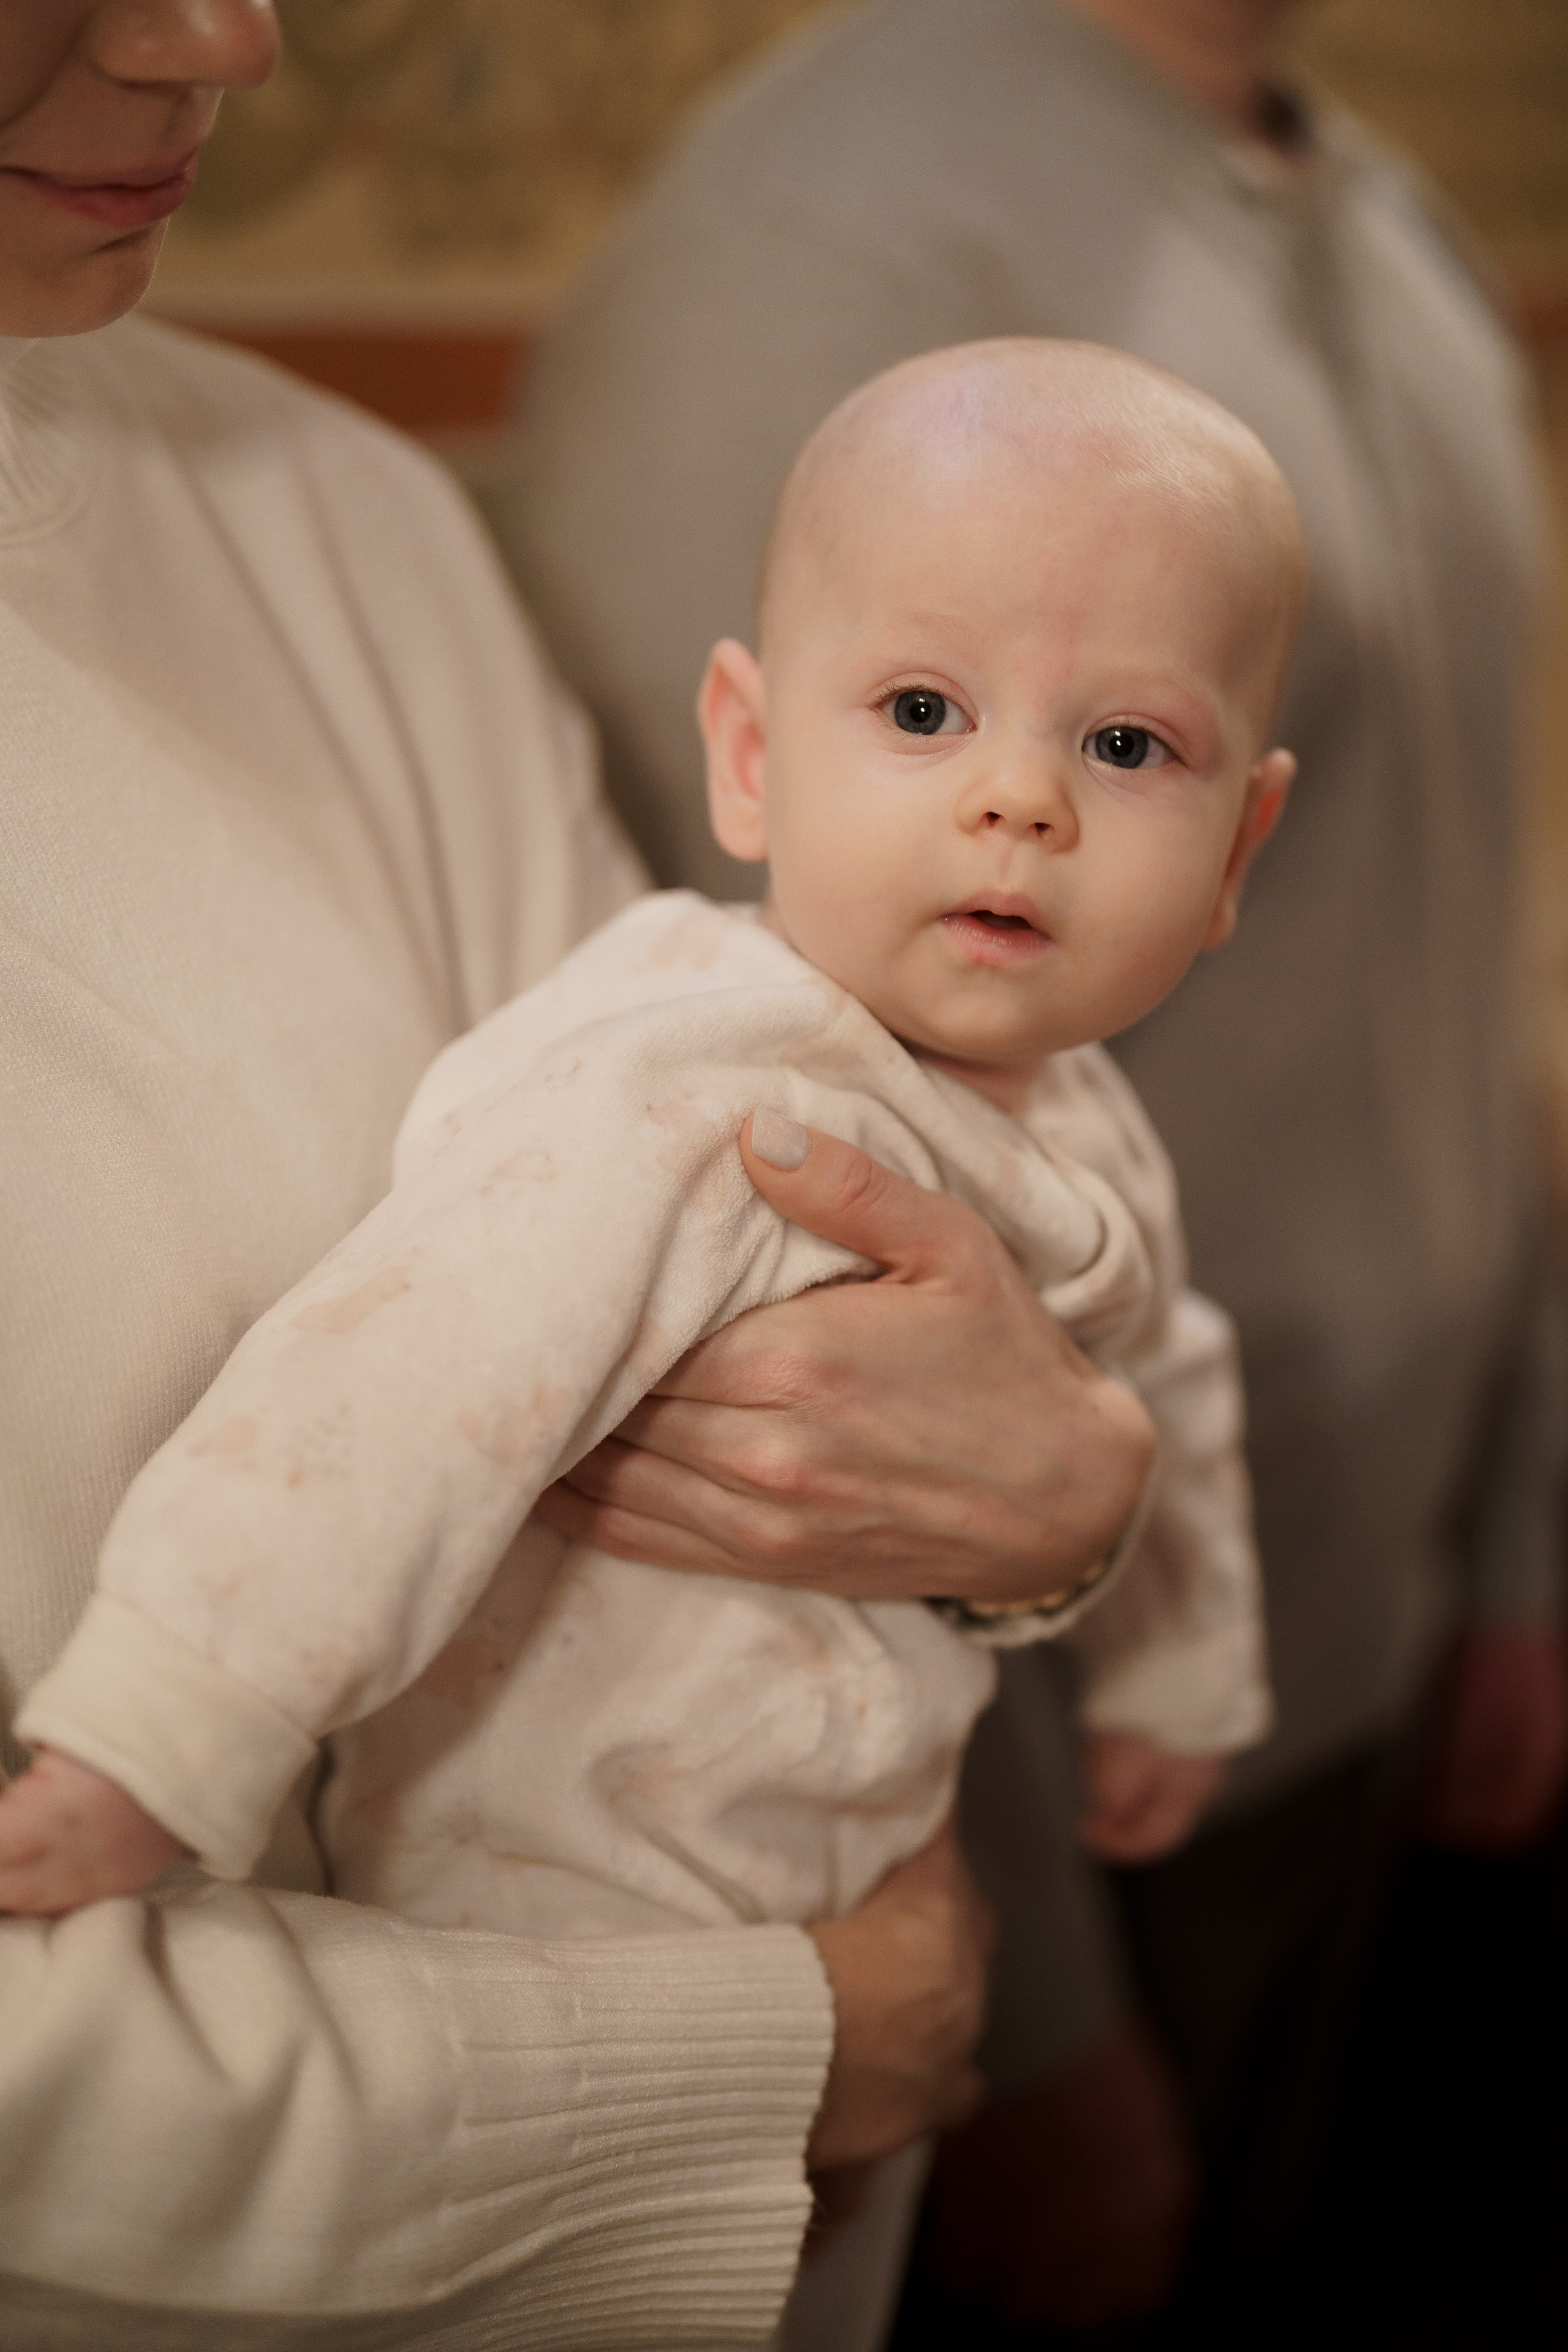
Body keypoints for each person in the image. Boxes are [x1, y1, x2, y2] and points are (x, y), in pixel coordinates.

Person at [0, 9, 1158, 2346]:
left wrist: (1053, 1514)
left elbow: (781, 1276)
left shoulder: (341, 523)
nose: (232, 29)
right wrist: (783, 2053)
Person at [494, 0, 1568, 2326]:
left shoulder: (1382, 218)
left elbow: (1460, 926)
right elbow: (744, 1205)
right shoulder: (820, 238)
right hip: (1036, 1775)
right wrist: (1018, 1986)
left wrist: (1517, 1529)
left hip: (1344, 1656)